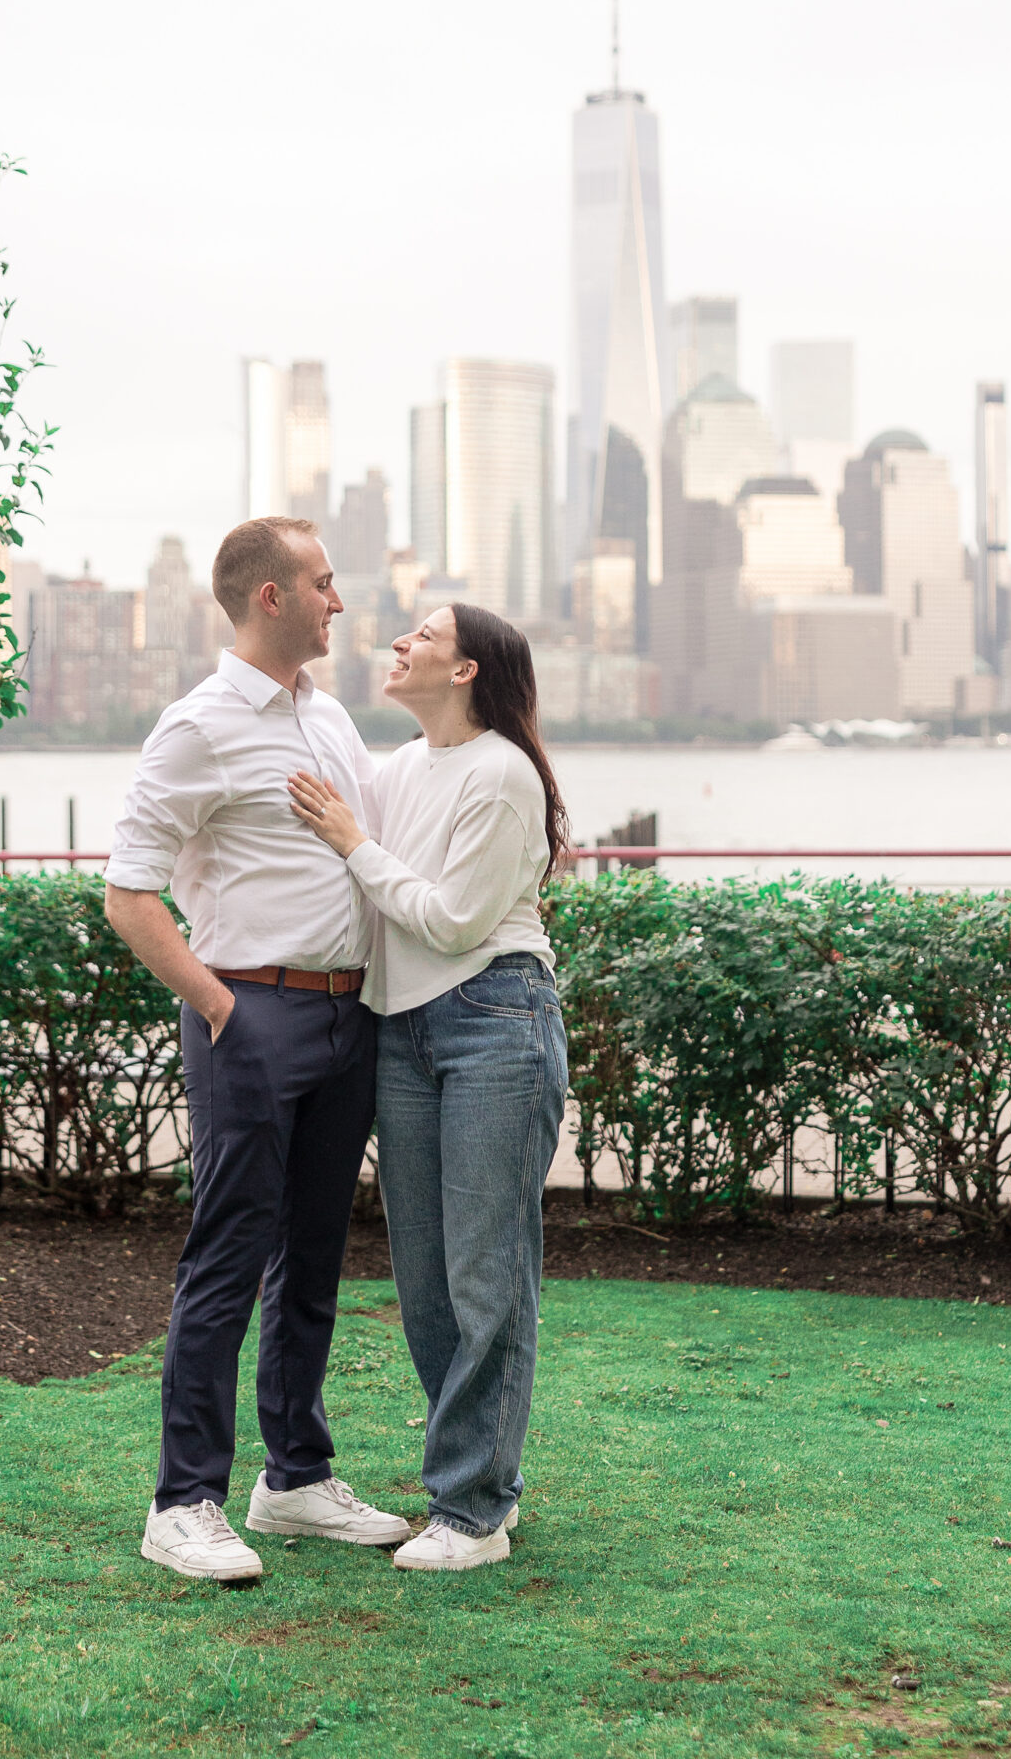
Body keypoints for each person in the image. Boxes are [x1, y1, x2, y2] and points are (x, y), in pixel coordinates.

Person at [104, 517, 411, 1583]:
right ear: (271, 596)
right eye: (325, 583)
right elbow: (127, 893)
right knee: (229, 1256)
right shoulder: (198, 726)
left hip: (346, 1016)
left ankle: (295, 1482)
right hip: (253, 1015)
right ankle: (182, 1500)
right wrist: (219, 1006)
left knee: (314, 1255)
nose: (340, 600)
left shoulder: (328, 718)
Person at [287, 602, 569, 1573]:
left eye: (423, 636)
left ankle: (474, 1508)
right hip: (402, 1028)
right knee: (427, 1283)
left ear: (465, 671)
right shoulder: (398, 768)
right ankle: (483, 1481)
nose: (399, 642)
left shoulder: (502, 772)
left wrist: (350, 841)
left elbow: (449, 921)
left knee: (487, 1271)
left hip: (495, 1018)